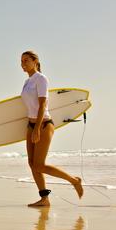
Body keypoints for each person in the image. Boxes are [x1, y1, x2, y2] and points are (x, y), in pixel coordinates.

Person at [21, 51, 84, 206]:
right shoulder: (27, 82)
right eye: (21, 61)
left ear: (35, 61)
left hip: (43, 125)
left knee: (39, 164)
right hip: (31, 125)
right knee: (31, 163)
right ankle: (44, 198)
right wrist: (31, 126)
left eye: (26, 60)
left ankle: (74, 180)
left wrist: (37, 128)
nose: (23, 64)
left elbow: (43, 104)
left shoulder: (41, 79)